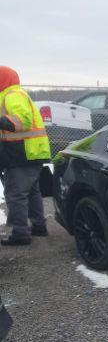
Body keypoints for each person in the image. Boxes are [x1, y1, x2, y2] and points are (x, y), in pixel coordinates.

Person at [0, 66, 51, 246]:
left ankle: (20, 233)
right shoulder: (15, 94)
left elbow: (24, 119)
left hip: (21, 153)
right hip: (31, 152)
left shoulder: (11, 95)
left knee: (16, 193)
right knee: (32, 192)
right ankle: (39, 226)